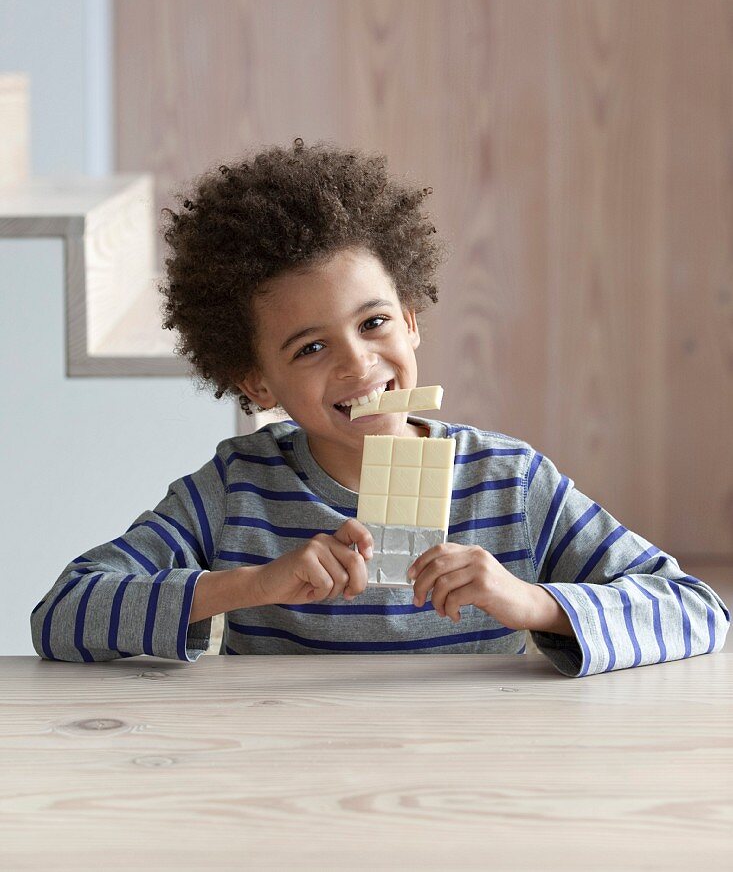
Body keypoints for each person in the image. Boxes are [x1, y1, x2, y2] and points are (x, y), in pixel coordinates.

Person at [30, 138, 730, 676]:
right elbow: (62, 615)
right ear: (256, 383)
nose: (358, 364)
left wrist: (533, 604)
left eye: (374, 324)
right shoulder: (234, 490)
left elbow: (698, 612)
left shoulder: (509, 483)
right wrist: (247, 586)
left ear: (412, 319)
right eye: (309, 348)